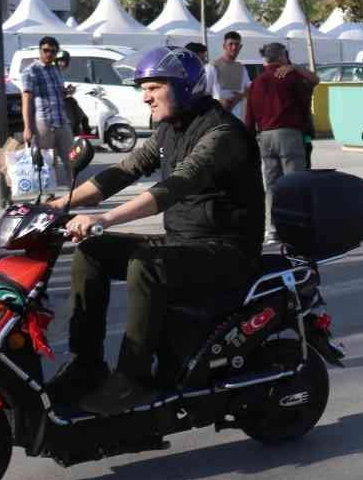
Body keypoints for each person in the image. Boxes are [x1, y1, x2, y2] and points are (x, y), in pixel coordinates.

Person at [51, 46, 265, 415]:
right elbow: (124, 171)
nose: (145, 96)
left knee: (146, 266)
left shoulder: (222, 133)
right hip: (185, 242)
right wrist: (57, 206)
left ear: (183, 87)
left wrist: (103, 220)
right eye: (143, 88)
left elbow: (174, 187)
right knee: (91, 252)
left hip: (226, 250)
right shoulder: (169, 129)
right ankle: (87, 364)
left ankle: (131, 381)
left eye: (153, 87)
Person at [244, 42, 318, 239]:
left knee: (272, 183)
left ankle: (272, 227)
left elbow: (249, 116)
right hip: (289, 134)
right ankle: (297, 225)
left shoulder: (256, 82)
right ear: (283, 56)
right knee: (295, 181)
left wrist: (250, 138)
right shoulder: (289, 76)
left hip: (265, 136)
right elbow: (308, 94)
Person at [19, 35, 77, 192]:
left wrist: (66, 92)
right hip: (42, 121)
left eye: (52, 51)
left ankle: (77, 192)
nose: (49, 54)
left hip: (61, 119)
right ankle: (48, 195)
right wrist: (27, 127)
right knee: (46, 161)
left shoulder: (55, 70)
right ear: (40, 50)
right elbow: (26, 100)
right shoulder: (31, 71)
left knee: (72, 158)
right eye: (45, 50)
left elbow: (57, 93)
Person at [213, 32, 249, 121]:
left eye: (236, 44)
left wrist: (238, 98)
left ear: (240, 47)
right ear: (224, 46)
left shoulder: (241, 68)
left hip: (238, 121)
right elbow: (205, 93)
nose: (234, 47)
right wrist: (221, 102)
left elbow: (248, 90)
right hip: (218, 119)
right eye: (230, 44)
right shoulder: (213, 66)